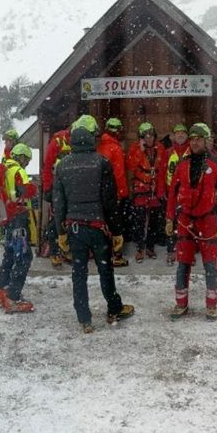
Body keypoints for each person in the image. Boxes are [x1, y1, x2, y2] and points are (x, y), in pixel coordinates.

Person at [54, 118, 135, 333]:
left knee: (78, 273)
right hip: (98, 227)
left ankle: (84, 318)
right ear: (91, 139)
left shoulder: (62, 166)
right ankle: (114, 309)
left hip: (74, 228)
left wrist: (60, 231)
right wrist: (117, 231)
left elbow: (58, 203)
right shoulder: (101, 162)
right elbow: (110, 201)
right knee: (105, 269)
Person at [165, 123, 217, 320]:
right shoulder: (182, 164)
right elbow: (172, 194)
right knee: (182, 265)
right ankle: (181, 304)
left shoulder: (214, 165)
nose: (195, 142)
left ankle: (211, 305)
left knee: (210, 266)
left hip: (208, 221)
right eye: (192, 139)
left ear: (206, 141)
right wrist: (169, 219)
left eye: (199, 139)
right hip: (185, 221)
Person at [0, 143, 38, 314]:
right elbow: (27, 192)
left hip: (6, 218)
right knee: (23, 257)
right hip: (18, 219)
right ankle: (13, 297)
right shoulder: (18, 171)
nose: (26, 163)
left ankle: (3, 290)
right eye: (26, 160)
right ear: (22, 157)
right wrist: (33, 187)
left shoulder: (4, 169)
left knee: (9, 255)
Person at [127, 122, 167, 262]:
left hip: (155, 191)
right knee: (139, 221)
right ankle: (139, 248)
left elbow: (162, 170)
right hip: (141, 190)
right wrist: (140, 151)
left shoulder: (160, 148)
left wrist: (160, 190)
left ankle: (150, 247)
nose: (149, 138)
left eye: (151, 135)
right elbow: (131, 166)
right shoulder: (135, 148)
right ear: (141, 137)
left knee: (154, 222)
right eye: (145, 136)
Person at [97, 117, 130, 267]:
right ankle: (116, 255)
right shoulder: (115, 148)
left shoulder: (100, 146)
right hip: (113, 192)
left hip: (99, 192)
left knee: (102, 223)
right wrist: (123, 193)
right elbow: (119, 174)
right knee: (116, 224)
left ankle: (103, 253)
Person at [159, 123, 191, 265]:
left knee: (187, 223)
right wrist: (161, 190)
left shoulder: (192, 152)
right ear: (173, 136)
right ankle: (171, 251)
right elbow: (162, 173)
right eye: (177, 133)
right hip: (171, 193)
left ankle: (188, 252)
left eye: (183, 133)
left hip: (188, 194)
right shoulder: (168, 152)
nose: (180, 135)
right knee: (170, 221)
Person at [41, 126, 73, 268]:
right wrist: (48, 189)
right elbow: (47, 166)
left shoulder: (78, 143)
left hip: (71, 189)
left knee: (68, 220)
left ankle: (66, 250)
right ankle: (55, 253)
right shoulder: (58, 141)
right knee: (56, 221)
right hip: (57, 188)